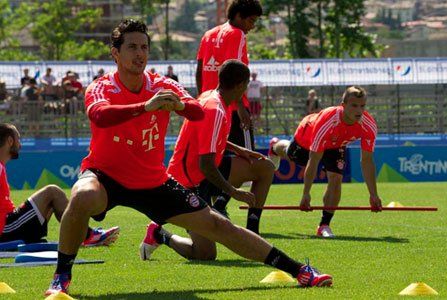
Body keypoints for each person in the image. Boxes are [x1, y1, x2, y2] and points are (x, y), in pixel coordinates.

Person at [44, 19, 332, 297]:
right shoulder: (101, 86)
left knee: (220, 226)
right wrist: (145, 107)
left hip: (153, 181)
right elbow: (98, 115)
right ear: (115, 53)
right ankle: (61, 278)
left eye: (144, 47)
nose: (140, 54)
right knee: (82, 195)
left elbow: (196, 111)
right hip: (106, 176)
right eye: (132, 47)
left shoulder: (161, 84)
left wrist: (178, 104)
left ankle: (299, 271)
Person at [141, 60, 276, 261]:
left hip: (204, 169)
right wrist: (233, 192)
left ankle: (253, 231)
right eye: (246, 86)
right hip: (188, 181)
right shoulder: (214, 109)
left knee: (264, 167)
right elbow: (206, 165)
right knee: (205, 254)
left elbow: (211, 139)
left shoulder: (215, 99)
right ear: (239, 86)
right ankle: (160, 234)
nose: (245, 91)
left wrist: (240, 150)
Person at [268, 86, 383, 238]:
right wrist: (306, 194)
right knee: (290, 153)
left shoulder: (368, 125)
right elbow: (313, 160)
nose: (359, 111)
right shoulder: (327, 121)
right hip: (307, 136)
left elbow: (367, 161)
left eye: (362, 106)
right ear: (343, 105)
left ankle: (324, 225)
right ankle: (275, 146)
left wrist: (373, 195)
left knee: (336, 178)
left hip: (336, 145)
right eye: (354, 105)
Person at [0, 123, 120, 245]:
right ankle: (87, 236)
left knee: (52, 200)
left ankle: (84, 235)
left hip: (9, 224)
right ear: (10, 141)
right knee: (52, 192)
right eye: (18, 139)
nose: (20, 145)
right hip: (5, 228)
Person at [197, 0, 261, 151]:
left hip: (210, 108)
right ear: (238, 16)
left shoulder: (208, 34)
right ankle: (275, 150)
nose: (252, 26)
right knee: (249, 163)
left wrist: (201, 99)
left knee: (220, 160)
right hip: (232, 109)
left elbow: (199, 70)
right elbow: (235, 72)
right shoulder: (237, 34)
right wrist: (240, 106)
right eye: (251, 20)